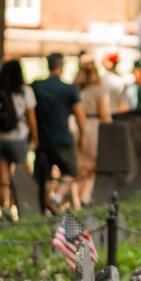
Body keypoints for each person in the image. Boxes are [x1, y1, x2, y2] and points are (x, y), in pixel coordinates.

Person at [32, 52, 88, 213]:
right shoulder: (69, 89)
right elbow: (79, 114)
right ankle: (55, 200)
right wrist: (83, 134)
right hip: (62, 138)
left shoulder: (37, 86)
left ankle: (45, 205)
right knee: (71, 171)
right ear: (61, 66)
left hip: (43, 139)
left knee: (43, 176)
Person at [0, 59, 37, 222]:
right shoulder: (24, 91)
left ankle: (5, 210)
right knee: (22, 174)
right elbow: (31, 117)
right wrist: (35, 137)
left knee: (3, 179)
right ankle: (23, 207)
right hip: (18, 137)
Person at [74, 60, 113, 204]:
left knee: (80, 168)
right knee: (93, 167)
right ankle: (86, 196)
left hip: (75, 126)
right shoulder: (99, 89)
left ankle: (77, 199)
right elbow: (104, 114)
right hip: (92, 128)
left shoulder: (76, 88)